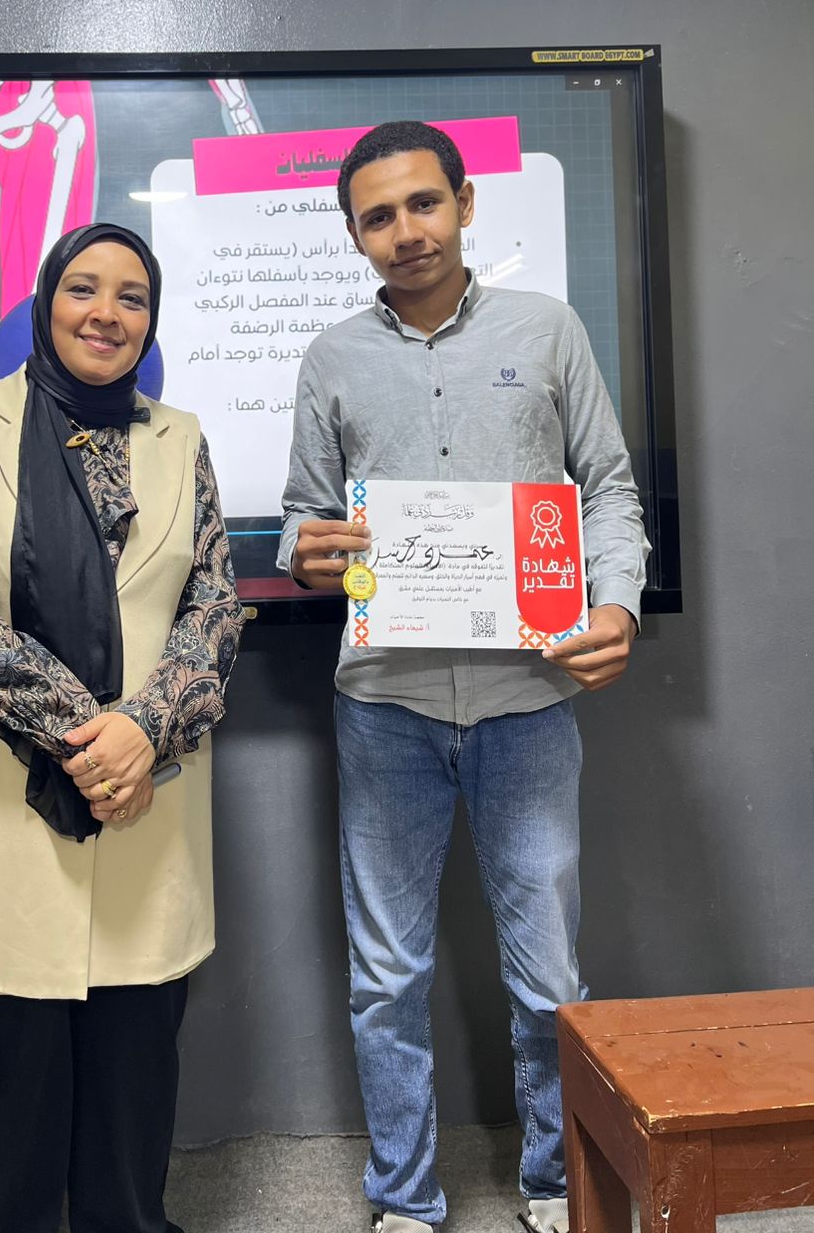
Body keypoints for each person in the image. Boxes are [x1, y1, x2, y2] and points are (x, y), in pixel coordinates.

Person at [277, 122, 649, 1233]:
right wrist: (307, 549)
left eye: (423, 204)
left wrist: (617, 604)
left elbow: (610, 492)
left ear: (466, 204)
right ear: (354, 234)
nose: (406, 231)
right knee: (386, 977)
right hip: (384, 705)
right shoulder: (332, 357)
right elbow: (305, 515)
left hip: (527, 702)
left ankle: (551, 1180)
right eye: (378, 216)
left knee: (549, 978)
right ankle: (402, 1197)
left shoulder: (548, 330)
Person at [0, 222, 243, 1233]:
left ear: (152, 319)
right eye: (84, 288)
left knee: (136, 1064)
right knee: (5, 1068)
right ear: (46, 301)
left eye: (132, 296)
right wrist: (98, 736)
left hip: (145, 796)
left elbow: (213, 606)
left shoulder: (182, 439)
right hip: (0, 793)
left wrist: (147, 730)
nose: (107, 311)